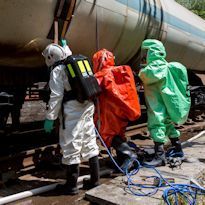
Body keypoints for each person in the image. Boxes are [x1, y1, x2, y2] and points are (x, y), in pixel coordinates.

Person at [42, 40, 100, 195]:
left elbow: (56, 96)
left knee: (71, 144)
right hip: (88, 105)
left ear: (50, 57)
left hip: (72, 109)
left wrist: (50, 118)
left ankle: (71, 185)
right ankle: (95, 180)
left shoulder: (57, 70)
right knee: (89, 140)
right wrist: (65, 45)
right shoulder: (73, 63)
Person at [138, 39, 191, 167]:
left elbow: (144, 75)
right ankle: (177, 149)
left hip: (157, 103)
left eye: (147, 52)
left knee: (156, 122)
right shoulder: (166, 65)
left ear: (151, 52)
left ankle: (159, 156)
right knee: (167, 123)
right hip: (165, 101)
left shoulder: (154, 68)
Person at [92, 49, 141, 171]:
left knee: (108, 134)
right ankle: (122, 160)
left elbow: (91, 90)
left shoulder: (102, 74)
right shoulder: (120, 71)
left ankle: (129, 155)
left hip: (109, 111)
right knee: (119, 133)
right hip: (121, 110)